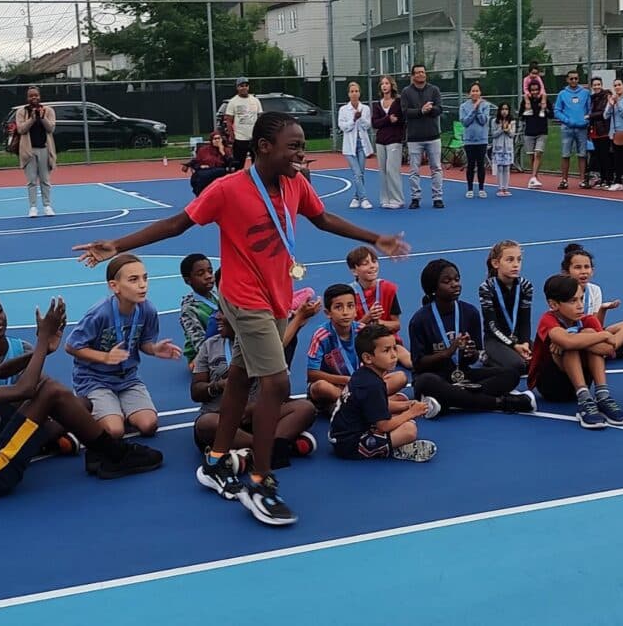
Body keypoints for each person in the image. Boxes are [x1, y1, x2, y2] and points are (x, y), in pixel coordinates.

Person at [73, 111, 409, 526]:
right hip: (243, 298)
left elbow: (322, 218)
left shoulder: (295, 184)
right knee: (277, 382)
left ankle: (215, 459)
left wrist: (374, 238)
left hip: (275, 295)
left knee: (240, 375)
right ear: (264, 147)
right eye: (294, 146)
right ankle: (260, 479)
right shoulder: (228, 189)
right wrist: (118, 244)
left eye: (303, 146)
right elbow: (177, 223)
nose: (301, 153)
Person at [0, 314, 163, 497]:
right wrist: (41, 340)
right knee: (49, 391)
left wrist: (45, 349)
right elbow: (23, 389)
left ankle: (97, 448)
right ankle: (115, 454)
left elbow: (3, 370)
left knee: (71, 401)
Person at [65, 254, 183, 439]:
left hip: (127, 379)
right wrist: (104, 357)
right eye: (134, 280)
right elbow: (71, 346)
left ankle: (114, 409)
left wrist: (153, 349)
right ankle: (86, 408)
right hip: (94, 379)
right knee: (115, 431)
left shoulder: (147, 310)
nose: (143, 285)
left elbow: (144, 343)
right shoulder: (100, 314)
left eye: (145, 278)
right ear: (114, 286)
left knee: (148, 425)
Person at [0, 291, 82, 458]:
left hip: (22, 418)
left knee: (81, 404)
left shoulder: (23, 348)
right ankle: (44, 440)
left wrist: (43, 345)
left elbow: (43, 387)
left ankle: (36, 442)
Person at [409, 259, 536, 416]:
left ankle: (450, 400)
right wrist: (448, 352)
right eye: (447, 281)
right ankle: (502, 403)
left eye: (457, 279)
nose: (455, 284)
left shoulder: (470, 313)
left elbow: (473, 358)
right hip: (436, 376)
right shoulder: (420, 320)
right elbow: (419, 365)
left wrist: (471, 353)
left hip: (463, 375)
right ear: (433, 288)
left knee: (510, 375)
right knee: (425, 382)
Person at [191, 312, 316, 470]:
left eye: (223, 313)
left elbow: (283, 391)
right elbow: (196, 392)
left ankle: (248, 454)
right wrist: (219, 385)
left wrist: (254, 408)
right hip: (221, 417)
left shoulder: (265, 346)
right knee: (205, 424)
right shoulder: (209, 346)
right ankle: (275, 446)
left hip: (259, 416)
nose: (217, 317)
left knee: (305, 408)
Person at [527, 274, 623, 430]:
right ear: (554, 304)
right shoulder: (548, 320)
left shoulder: (588, 320)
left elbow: (607, 349)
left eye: (581, 299)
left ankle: (602, 396)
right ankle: (584, 401)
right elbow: (569, 343)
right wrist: (602, 335)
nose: (580, 305)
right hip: (552, 387)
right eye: (573, 301)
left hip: (582, 380)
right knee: (574, 342)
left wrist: (584, 338)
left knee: (586, 334)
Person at [328, 324, 437, 462]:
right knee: (409, 429)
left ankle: (388, 443)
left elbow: (376, 405)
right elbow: (384, 425)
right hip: (350, 446)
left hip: (341, 436)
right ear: (368, 358)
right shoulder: (372, 385)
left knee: (399, 408)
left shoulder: (363, 374)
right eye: (386, 350)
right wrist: (411, 412)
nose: (394, 355)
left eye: (394, 348)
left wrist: (407, 405)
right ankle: (393, 450)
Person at [306, 284, 409, 415]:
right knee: (321, 387)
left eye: (350, 306)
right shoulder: (321, 336)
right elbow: (312, 374)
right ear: (328, 313)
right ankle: (390, 404)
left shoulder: (362, 330)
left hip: (359, 385)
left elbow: (374, 361)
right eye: (338, 307)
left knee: (400, 377)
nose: (345, 312)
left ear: (356, 310)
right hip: (335, 386)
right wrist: (344, 380)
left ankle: (356, 405)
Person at [560, 244, 623, 359]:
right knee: (586, 335)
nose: (583, 272)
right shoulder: (561, 290)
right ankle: (608, 351)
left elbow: (597, 325)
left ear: (592, 270)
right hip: (571, 335)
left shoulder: (595, 290)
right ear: (566, 272)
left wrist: (603, 309)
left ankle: (604, 350)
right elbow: (559, 325)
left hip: (592, 333)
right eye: (577, 267)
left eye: (587, 267)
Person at [346, 245, 412, 369]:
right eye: (365, 263)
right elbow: (347, 331)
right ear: (354, 270)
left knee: (409, 360)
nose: (372, 266)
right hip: (361, 346)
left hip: (388, 343)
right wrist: (367, 318)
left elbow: (396, 325)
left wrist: (379, 323)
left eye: (374, 261)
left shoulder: (388, 289)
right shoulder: (348, 295)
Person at [478, 241, 533, 378]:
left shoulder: (526, 286)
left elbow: (525, 320)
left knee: (542, 361)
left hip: (518, 339)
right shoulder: (487, 288)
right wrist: (514, 345)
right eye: (510, 260)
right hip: (495, 340)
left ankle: (512, 356)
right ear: (496, 263)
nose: (516, 264)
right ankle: (487, 357)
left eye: (519, 260)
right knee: (518, 366)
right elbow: (492, 326)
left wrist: (525, 343)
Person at [400, 64, 445, 209]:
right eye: (418, 73)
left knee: (436, 168)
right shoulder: (406, 92)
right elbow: (405, 112)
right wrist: (421, 111)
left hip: (433, 136)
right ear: (412, 76)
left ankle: (437, 197)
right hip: (414, 138)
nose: (421, 75)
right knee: (414, 170)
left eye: (423, 72)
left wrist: (430, 109)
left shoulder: (434, 90)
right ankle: (415, 198)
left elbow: (440, 109)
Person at [15, 87, 57, 217]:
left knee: (45, 179)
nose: (34, 98)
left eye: (36, 95)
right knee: (31, 181)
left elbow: (51, 128)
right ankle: (33, 207)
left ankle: (47, 206)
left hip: (44, 149)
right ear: (27, 98)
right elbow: (21, 129)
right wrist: (32, 119)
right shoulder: (21, 112)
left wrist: (42, 117)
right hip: (29, 150)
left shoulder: (48, 111)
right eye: (31, 96)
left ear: (40, 97)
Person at [179, 253, 219, 368]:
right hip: (203, 352)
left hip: (222, 341)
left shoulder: (217, 295)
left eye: (210, 271)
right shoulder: (189, 309)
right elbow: (199, 343)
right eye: (201, 274)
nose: (208, 276)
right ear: (188, 280)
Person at [371, 75, 405, 208]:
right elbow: (375, 123)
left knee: (392, 170)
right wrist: (387, 120)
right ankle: (385, 199)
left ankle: (398, 199)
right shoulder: (377, 105)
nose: (384, 86)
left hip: (394, 140)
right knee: (383, 171)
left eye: (387, 83)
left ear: (391, 86)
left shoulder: (398, 102)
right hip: (380, 141)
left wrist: (395, 122)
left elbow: (402, 120)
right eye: (382, 84)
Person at [553, 70, 591, 190]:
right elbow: (557, 111)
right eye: (571, 78)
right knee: (565, 154)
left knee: (582, 154)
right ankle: (564, 180)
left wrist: (586, 121)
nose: (574, 80)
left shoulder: (585, 93)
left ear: (578, 79)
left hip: (582, 129)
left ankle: (582, 180)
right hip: (567, 129)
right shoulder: (562, 94)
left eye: (576, 78)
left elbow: (590, 109)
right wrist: (567, 120)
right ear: (567, 80)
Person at [338, 81, 373, 209]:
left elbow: (367, 126)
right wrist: (353, 120)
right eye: (352, 91)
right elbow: (342, 127)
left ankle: (356, 197)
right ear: (348, 94)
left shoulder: (365, 109)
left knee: (361, 173)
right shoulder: (343, 109)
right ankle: (364, 198)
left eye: (356, 91)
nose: (354, 93)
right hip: (349, 147)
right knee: (357, 173)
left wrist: (360, 118)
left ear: (359, 93)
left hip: (362, 146)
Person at [460, 82, 492, 199]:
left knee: (480, 164)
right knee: (470, 164)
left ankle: (481, 188)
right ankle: (469, 189)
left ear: (480, 93)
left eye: (477, 91)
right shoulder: (463, 106)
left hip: (482, 140)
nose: (475, 93)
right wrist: (473, 109)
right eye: (473, 91)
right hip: (469, 140)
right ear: (469, 93)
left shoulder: (485, 105)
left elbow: (483, 120)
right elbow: (465, 122)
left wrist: (478, 109)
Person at [223, 76, 262, 169]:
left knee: (257, 164)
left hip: (254, 138)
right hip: (240, 138)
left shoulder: (255, 101)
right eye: (241, 86)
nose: (244, 88)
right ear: (237, 87)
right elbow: (229, 121)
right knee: (238, 165)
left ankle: (254, 182)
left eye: (246, 85)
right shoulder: (233, 102)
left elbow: (260, 118)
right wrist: (232, 135)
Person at [604, 77, 623, 192]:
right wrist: (610, 104)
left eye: (619, 85)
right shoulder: (612, 99)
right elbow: (605, 116)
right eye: (615, 85)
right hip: (614, 133)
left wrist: (617, 104)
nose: (617, 87)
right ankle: (618, 182)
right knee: (617, 158)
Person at [519, 80, 548, 189]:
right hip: (529, 132)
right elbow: (521, 116)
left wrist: (544, 109)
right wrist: (526, 110)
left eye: (536, 89)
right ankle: (535, 177)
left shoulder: (544, 100)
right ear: (529, 91)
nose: (535, 92)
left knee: (538, 154)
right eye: (532, 90)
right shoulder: (526, 101)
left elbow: (551, 114)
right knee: (532, 156)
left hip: (542, 131)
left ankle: (532, 177)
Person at [585, 77, 612, 190]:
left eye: (598, 84)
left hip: (604, 131)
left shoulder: (606, 96)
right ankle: (602, 178)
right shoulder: (591, 98)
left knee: (605, 156)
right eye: (594, 85)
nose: (596, 87)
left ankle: (608, 180)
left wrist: (589, 116)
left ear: (601, 85)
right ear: (592, 86)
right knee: (598, 156)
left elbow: (602, 113)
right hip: (594, 131)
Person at [187, 131, 233, 196]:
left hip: (219, 171)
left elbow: (230, 162)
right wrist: (200, 166)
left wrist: (222, 151)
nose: (217, 140)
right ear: (211, 140)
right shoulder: (203, 150)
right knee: (199, 177)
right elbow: (196, 162)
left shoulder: (227, 150)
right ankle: (202, 195)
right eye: (215, 139)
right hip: (204, 170)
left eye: (218, 138)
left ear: (221, 139)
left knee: (207, 175)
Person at [490, 103, 516, 197]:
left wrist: (508, 130)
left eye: (506, 109)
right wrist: (501, 129)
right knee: (500, 168)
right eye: (502, 109)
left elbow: (512, 135)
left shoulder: (512, 122)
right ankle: (500, 188)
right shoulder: (494, 121)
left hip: (508, 148)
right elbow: (493, 134)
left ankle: (506, 188)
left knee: (507, 168)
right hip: (498, 148)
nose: (504, 111)